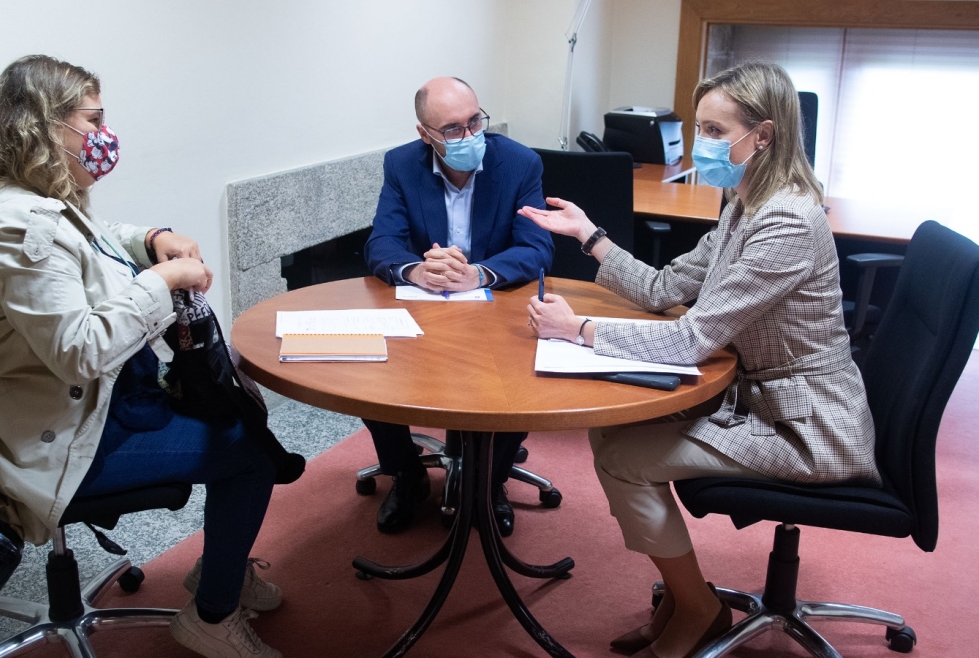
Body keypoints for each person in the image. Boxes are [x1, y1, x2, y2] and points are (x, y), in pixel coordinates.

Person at [519, 61, 880, 658]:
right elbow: (665, 287)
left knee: (627, 459)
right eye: (700, 129)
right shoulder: (744, 203)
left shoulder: (785, 220)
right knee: (612, 431)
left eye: (716, 132)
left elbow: (689, 341)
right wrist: (588, 234)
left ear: (762, 136)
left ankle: (697, 608)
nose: (700, 145)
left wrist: (577, 328)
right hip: (763, 399)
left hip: (810, 428)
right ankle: (691, 597)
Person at [0, 55, 283, 658]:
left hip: (75, 409)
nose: (105, 136)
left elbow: (88, 245)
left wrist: (151, 241)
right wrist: (164, 280)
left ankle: (221, 569)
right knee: (250, 449)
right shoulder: (16, 229)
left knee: (240, 413)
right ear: (48, 128)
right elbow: (80, 352)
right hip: (53, 440)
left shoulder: (29, 199)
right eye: (92, 121)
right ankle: (212, 613)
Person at [362, 76, 553, 536]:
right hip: (423, 305)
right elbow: (380, 243)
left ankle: (490, 484)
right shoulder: (402, 165)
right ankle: (407, 476)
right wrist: (417, 270)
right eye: (451, 129)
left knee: (515, 378)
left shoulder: (518, 163)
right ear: (424, 133)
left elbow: (537, 247)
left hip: (495, 304)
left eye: (475, 121)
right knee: (368, 372)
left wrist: (478, 273)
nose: (469, 136)